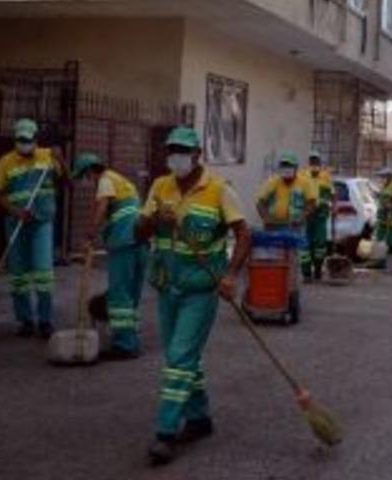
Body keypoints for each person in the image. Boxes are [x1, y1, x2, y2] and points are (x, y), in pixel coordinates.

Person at [136, 126, 250, 465]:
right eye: (172, 150)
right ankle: (200, 418)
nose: (176, 157)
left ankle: (165, 432)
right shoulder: (160, 186)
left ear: (198, 154)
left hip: (201, 288)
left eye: (183, 151)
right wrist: (156, 219)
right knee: (180, 357)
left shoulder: (218, 190)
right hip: (166, 285)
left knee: (179, 357)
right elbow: (137, 231)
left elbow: (243, 234)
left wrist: (230, 274)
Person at [0, 118, 68, 338]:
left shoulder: (47, 156)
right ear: (16, 140)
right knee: (19, 275)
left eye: (28, 140)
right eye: (21, 140)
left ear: (35, 139)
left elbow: (66, 179)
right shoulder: (6, 162)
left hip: (42, 222)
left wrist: (60, 160)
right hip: (16, 222)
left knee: (43, 273)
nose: (24, 143)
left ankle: (45, 320)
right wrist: (13, 210)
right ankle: (25, 320)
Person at [71, 152, 148, 359]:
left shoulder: (105, 180)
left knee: (119, 293)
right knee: (131, 292)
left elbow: (101, 206)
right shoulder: (122, 181)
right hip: (139, 241)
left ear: (90, 171)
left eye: (85, 177)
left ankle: (124, 345)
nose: (87, 182)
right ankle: (130, 337)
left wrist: (89, 235)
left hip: (124, 241)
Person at [256, 152, 317, 282]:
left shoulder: (304, 183)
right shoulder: (273, 182)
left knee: (294, 256)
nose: (286, 169)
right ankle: (274, 281)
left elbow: (311, 203)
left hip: (294, 226)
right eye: (283, 166)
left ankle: (296, 283)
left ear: (296, 168)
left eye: (289, 166)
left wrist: (302, 216)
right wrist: (266, 217)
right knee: (275, 255)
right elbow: (260, 202)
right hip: (275, 226)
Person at [301, 151, 332, 281]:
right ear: (309, 162)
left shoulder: (326, 177)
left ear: (320, 163)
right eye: (312, 161)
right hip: (306, 215)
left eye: (316, 161)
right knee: (305, 246)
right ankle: (307, 273)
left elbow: (332, 194)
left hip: (321, 216)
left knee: (320, 244)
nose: (314, 164)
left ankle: (318, 269)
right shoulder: (302, 176)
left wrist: (334, 207)